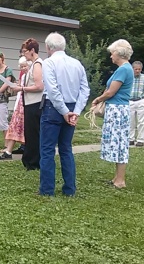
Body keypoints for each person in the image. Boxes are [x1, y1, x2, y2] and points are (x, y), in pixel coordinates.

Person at [40, 32, 89, 196]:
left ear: (48, 47)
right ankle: (70, 189)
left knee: (47, 150)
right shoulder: (77, 63)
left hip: (53, 108)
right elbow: (85, 90)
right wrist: (75, 111)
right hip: (72, 106)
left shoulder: (49, 63)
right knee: (66, 148)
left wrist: (64, 112)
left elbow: (52, 90)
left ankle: (47, 190)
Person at [92, 39, 134, 189]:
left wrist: (98, 99)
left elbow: (111, 91)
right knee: (117, 143)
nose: (111, 56)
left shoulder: (124, 69)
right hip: (117, 109)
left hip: (118, 109)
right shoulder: (125, 68)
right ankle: (117, 177)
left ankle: (120, 180)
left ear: (119, 53)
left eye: (112, 53)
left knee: (120, 144)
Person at [0, 56, 29, 160]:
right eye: (21, 67)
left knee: (25, 128)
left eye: (25, 66)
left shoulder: (32, 75)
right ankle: (9, 151)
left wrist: (20, 87)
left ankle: (24, 149)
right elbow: (20, 88)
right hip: (20, 104)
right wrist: (14, 86)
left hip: (27, 104)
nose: (23, 68)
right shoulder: (24, 76)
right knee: (15, 126)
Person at [19, 38, 44, 170]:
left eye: (25, 51)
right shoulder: (33, 64)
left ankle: (34, 162)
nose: (24, 54)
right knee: (30, 133)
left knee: (34, 133)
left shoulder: (38, 65)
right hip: (30, 102)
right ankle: (29, 159)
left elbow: (40, 86)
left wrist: (22, 89)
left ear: (32, 51)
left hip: (35, 104)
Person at [129, 61, 144, 147]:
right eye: (136, 69)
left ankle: (140, 140)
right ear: (132, 69)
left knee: (142, 122)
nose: (137, 71)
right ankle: (130, 139)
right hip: (130, 100)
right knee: (130, 121)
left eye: (139, 69)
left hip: (141, 100)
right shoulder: (129, 77)